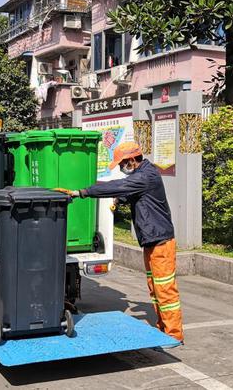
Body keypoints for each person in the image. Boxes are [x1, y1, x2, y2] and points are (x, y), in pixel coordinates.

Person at [66, 141, 183, 343]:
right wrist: (119, 200)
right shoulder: (143, 175)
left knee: (164, 288)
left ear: (131, 160)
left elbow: (119, 186)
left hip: (160, 241)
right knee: (155, 287)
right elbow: (129, 193)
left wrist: (81, 192)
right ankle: (162, 327)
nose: (121, 168)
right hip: (152, 239)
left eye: (122, 164)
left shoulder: (146, 175)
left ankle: (173, 334)